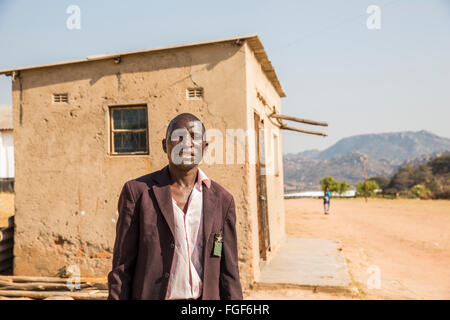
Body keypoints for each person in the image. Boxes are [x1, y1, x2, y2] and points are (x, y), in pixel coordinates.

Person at [107, 113, 243, 300]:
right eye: (179, 137)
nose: (186, 144)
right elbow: (122, 267)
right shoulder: (138, 193)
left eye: (194, 137)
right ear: (165, 145)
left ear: (205, 147)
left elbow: (229, 272)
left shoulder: (222, 200)